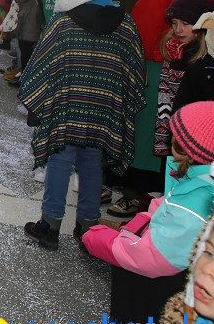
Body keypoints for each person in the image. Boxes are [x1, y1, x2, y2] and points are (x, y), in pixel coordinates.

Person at [21, 0, 147, 250]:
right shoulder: (126, 24)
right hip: (105, 109)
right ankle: (88, 229)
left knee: (59, 160)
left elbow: (40, 65)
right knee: (93, 163)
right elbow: (136, 72)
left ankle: (49, 227)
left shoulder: (62, 23)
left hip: (66, 105)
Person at [113, 0, 206, 219]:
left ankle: (137, 193)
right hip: (181, 65)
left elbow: (138, 34)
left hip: (155, 70)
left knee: (146, 132)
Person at [84, 102, 214, 277]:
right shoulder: (197, 182)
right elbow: (164, 210)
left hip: (167, 281)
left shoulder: (195, 201)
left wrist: (99, 239)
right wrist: (133, 228)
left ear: (186, 149)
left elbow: (153, 258)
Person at [154, 0, 214, 156]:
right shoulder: (173, 52)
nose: (178, 29)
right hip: (175, 134)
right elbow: (164, 100)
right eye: (174, 23)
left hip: (200, 138)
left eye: (186, 24)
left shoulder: (206, 61)